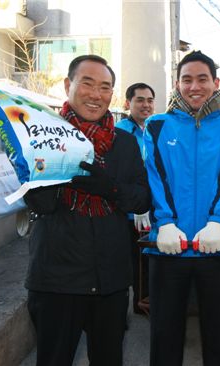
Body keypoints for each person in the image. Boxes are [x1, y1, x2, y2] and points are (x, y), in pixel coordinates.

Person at [23, 55, 151, 365]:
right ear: (69, 86)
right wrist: (60, 168)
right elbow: (39, 203)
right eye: (87, 84)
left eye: (105, 87)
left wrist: (110, 187)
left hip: (111, 278)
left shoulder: (124, 143)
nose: (96, 94)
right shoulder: (41, 136)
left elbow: (142, 199)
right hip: (57, 278)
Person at [143, 50, 220, 365]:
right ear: (177, 83)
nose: (194, 86)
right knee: (165, 334)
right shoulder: (157, 126)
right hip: (168, 246)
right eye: (187, 79)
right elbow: (155, 175)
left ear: (215, 83)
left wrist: (217, 222)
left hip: (218, 247)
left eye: (202, 79)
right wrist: (165, 222)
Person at [115, 82, 155, 315]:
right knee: (135, 261)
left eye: (150, 100)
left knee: (148, 258)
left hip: (151, 206)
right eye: (140, 100)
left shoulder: (153, 129)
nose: (145, 105)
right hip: (129, 210)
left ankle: (146, 301)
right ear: (128, 103)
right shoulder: (120, 131)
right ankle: (138, 305)